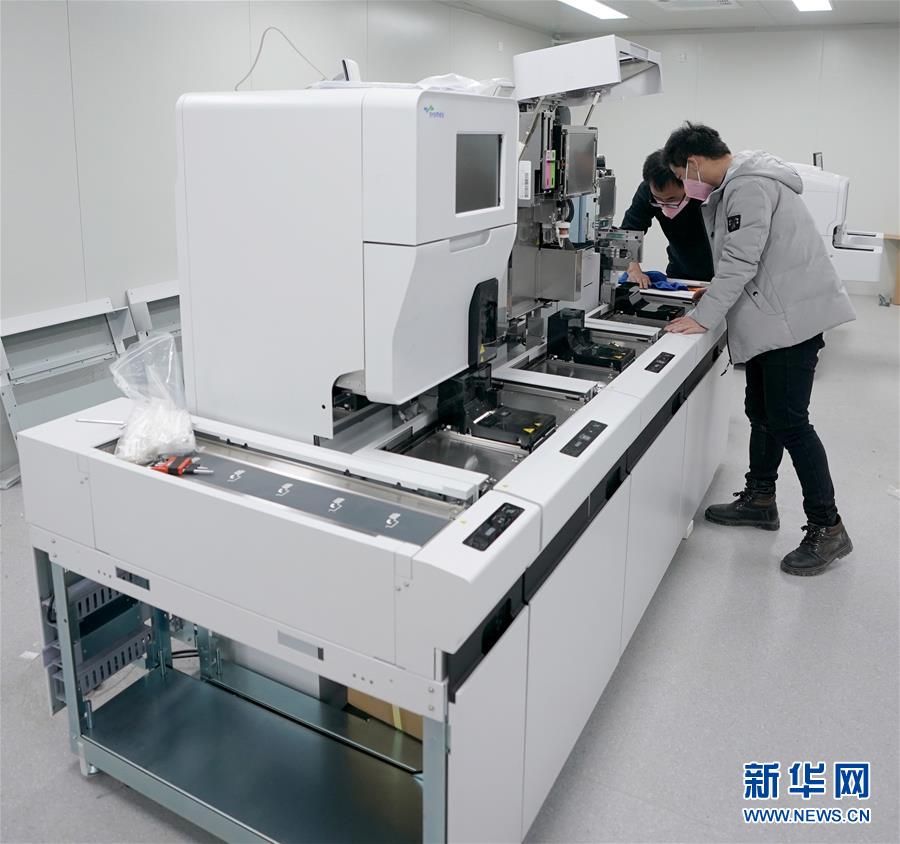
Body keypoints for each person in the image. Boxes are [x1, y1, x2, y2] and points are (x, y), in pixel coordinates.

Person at [661, 122, 856, 576]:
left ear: (694, 162)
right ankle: (761, 498)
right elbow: (748, 258)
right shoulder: (741, 182)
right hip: (775, 313)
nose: (686, 186)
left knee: (791, 422)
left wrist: (704, 316)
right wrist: (711, 295)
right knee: (762, 412)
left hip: (789, 321)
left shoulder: (747, 186)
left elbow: (741, 260)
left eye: (683, 175)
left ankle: (828, 528)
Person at [620, 149, 714, 287]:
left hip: (718, 273)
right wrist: (634, 270)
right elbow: (629, 233)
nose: (664, 205)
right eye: (658, 199)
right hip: (679, 273)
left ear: (687, 182)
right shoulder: (647, 191)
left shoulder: (710, 192)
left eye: (671, 199)